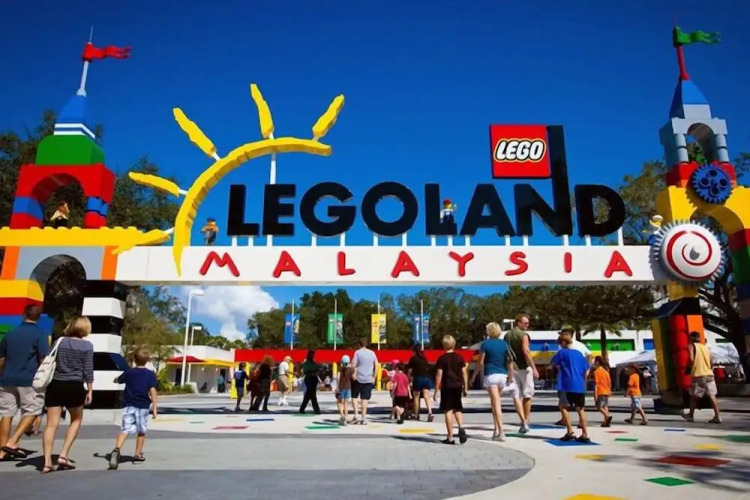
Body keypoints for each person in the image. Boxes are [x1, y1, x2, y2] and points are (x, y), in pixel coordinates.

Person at [42, 316, 94, 473]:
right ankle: (63, 455)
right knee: (76, 419)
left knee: (51, 424)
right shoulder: (87, 346)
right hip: (75, 386)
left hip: (56, 384)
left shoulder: (60, 341)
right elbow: (88, 369)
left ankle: (47, 462)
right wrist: (90, 390)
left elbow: (48, 358)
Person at [0, 305, 50, 460]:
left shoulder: (10, 333)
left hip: (7, 378)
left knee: (6, 413)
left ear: (24, 314)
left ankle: (2, 450)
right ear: (39, 317)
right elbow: (43, 358)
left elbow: (1, 358)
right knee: (33, 411)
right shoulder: (40, 333)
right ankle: (12, 442)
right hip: (29, 379)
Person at [471, 322, 528, 441]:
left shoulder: (485, 344)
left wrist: (473, 376)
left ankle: (501, 431)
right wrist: (510, 375)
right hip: (503, 375)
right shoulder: (504, 344)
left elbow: (480, 362)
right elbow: (509, 360)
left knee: (496, 403)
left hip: (491, 375)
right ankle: (496, 430)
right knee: (494, 403)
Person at [108, 347, 158, 470]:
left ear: (134, 359)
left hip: (128, 405)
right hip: (142, 406)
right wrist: (155, 408)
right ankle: (137, 454)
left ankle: (116, 449)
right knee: (141, 431)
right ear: (147, 361)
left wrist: (115, 379)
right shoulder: (150, 374)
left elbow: (119, 380)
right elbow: (153, 390)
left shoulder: (129, 372)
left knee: (125, 429)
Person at [550, 330, 591, 443]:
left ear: (563, 343)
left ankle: (570, 431)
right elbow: (586, 369)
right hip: (579, 385)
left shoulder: (561, 353)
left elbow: (553, 364)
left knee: (563, 406)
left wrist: (558, 368)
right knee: (580, 409)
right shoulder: (579, 354)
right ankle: (585, 434)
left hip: (566, 384)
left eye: (560, 343)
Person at [434, 335, 468, 445]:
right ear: (454, 344)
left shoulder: (442, 359)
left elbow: (439, 375)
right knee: (457, 408)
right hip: (458, 385)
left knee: (448, 410)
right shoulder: (459, 357)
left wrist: (436, 390)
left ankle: (450, 437)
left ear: (444, 345)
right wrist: (465, 387)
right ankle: (461, 427)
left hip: (447, 386)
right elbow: (464, 373)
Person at [504, 314, 538, 425]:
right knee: (527, 394)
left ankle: (522, 419)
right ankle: (526, 419)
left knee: (516, 395)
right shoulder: (524, 335)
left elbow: (506, 353)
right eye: (526, 323)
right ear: (518, 323)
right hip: (524, 367)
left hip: (512, 367)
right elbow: (526, 351)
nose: (528, 325)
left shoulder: (507, 335)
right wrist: (534, 368)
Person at [682, 331, 722, 423]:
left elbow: (691, 359)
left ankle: (690, 415)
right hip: (709, 374)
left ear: (691, 338)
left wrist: (688, 368)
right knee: (712, 395)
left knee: (694, 396)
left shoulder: (691, 346)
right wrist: (708, 369)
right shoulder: (706, 347)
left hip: (698, 374)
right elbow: (711, 362)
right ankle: (717, 416)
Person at [351, 338, 378, 425]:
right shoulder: (372, 353)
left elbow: (353, 365)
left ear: (359, 344)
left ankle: (356, 415)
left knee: (354, 396)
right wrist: (374, 377)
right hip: (368, 379)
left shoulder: (357, 353)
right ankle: (363, 417)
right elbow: (376, 365)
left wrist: (353, 374)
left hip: (358, 378)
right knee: (365, 399)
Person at [407, 344, 434, 422]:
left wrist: (409, 379)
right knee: (426, 396)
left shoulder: (413, 359)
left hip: (418, 378)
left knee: (416, 396)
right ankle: (430, 413)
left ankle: (416, 414)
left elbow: (410, 370)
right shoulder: (424, 358)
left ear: (414, 351)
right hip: (427, 378)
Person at [592, 356, 613, 427]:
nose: (594, 363)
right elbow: (609, 382)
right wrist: (609, 390)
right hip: (606, 391)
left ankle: (607, 416)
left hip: (600, 391)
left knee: (599, 406)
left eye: (595, 361)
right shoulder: (606, 371)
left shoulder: (596, 372)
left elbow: (596, 384)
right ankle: (606, 422)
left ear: (598, 362)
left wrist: (595, 394)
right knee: (605, 406)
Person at [299, 350, 321, 414]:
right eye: (312, 354)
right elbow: (306, 372)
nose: (313, 355)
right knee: (312, 394)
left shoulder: (312, 363)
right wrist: (313, 371)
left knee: (309, 394)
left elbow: (316, 371)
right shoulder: (307, 363)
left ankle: (302, 408)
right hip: (309, 378)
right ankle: (316, 410)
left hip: (312, 378)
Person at [336, 355, 354, 425]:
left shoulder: (340, 369)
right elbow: (353, 377)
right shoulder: (351, 369)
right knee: (346, 403)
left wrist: (337, 387)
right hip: (348, 388)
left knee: (339, 402)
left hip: (341, 387)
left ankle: (342, 415)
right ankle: (345, 418)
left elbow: (338, 377)